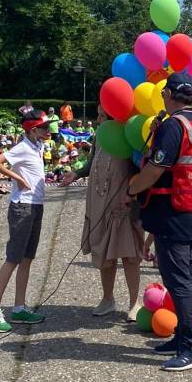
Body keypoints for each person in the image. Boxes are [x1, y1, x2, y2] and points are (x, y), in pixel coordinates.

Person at [129, 71, 192, 371]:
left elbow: (155, 170)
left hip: (172, 212)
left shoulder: (174, 125)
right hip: (191, 209)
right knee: (183, 279)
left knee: (180, 284)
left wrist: (131, 188)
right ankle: (182, 337)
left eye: (164, 93)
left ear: (168, 94)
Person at [60, 105, 144, 320]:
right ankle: (108, 299)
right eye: (97, 115)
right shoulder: (100, 136)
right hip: (98, 202)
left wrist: (133, 194)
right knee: (104, 254)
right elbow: (91, 162)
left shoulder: (127, 135)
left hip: (122, 205)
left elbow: (141, 168)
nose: (98, 120)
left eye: (101, 115)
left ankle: (135, 302)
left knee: (129, 255)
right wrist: (76, 173)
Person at [0, 110, 51, 333]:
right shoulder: (22, 147)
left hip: (35, 206)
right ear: (33, 130)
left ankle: (19, 307)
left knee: (27, 258)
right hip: (23, 207)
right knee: (13, 258)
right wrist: (18, 178)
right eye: (45, 128)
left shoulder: (37, 147)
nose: (49, 131)